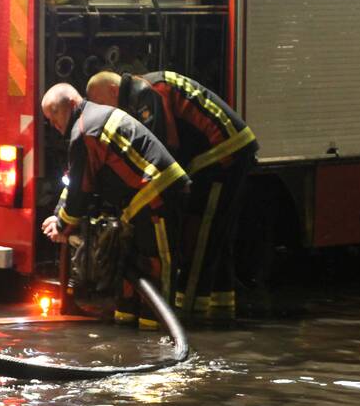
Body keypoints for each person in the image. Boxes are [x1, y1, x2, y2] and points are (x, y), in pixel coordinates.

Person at [86, 70, 258, 318]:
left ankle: (190, 314)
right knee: (215, 236)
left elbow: (163, 147)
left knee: (201, 234)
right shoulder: (144, 89)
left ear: (114, 90)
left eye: (103, 105)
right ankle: (220, 310)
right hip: (220, 152)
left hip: (222, 154)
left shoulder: (147, 93)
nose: (104, 114)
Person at [40, 83, 190, 330]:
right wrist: (59, 217)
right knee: (130, 262)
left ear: (72, 104)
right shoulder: (88, 124)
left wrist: (63, 225)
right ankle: (130, 325)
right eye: (49, 118)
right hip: (142, 199)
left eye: (54, 113)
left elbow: (81, 190)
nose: (53, 125)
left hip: (158, 194)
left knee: (157, 262)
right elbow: (76, 180)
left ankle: (159, 332)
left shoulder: (85, 131)